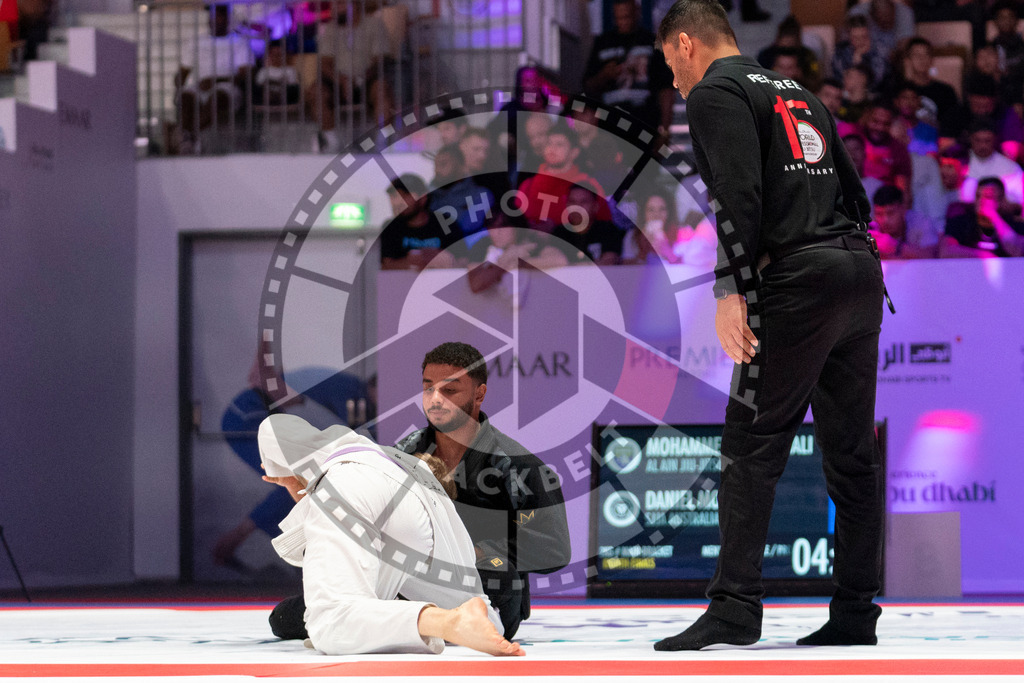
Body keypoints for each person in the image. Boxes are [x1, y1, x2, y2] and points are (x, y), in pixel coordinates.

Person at [656, 0, 887, 649]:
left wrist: (731, 289)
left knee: (752, 446)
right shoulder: (800, 92)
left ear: (685, 43)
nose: (672, 78)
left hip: (797, 281)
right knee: (852, 455)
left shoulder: (714, 93)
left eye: (669, 61)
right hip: (857, 273)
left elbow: (738, 194)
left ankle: (735, 605)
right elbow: (853, 189)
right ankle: (855, 613)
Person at [258, 413, 524, 656]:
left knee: (330, 620)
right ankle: (463, 619)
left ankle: (447, 622)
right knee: (487, 619)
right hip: (431, 506)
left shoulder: (341, 455)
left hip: (358, 485)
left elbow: (272, 428)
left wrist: (278, 470)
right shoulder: (397, 464)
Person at [397, 342, 571, 639]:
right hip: (411, 587)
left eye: (449, 391)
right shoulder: (404, 452)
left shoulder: (518, 465)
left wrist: (474, 551)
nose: (435, 399)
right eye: (428, 389)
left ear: (479, 394)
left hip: (485, 595)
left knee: (497, 573)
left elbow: (555, 548)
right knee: (294, 616)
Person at [583, 0, 676, 140]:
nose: (623, 22)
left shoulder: (651, 42)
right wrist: (604, 75)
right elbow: (587, 86)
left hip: (644, 124)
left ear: (637, 13)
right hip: (609, 128)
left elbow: (666, 89)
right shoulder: (602, 43)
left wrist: (664, 131)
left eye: (627, 17)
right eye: (619, 18)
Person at [379, 173, 463, 271]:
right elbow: (386, 265)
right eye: (394, 196)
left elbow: (463, 260)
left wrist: (445, 260)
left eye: (405, 196)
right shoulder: (390, 228)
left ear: (423, 198)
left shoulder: (445, 223)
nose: (398, 202)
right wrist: (413, 262)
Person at [941, 176, 1024, 257]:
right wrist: (982, 255)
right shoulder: (960, 221)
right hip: (968, 268)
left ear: (1000, 201)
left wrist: (994, 217)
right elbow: (946, 250)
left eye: (988, 197)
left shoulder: (1014, 224)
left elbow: (1018, 251)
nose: (981, 201)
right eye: (978, 196)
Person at [868, 185, 939, 258]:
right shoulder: (870, 229)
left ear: (903, 209)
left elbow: (931, 255)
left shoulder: (922, 223)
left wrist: (895, 246)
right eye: (879, 214)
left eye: (891, 213)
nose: (885, 220)